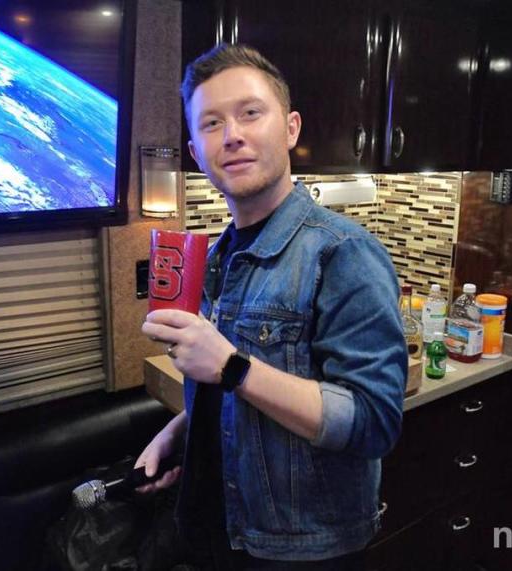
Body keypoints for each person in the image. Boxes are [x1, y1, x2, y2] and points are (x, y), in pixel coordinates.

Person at [135, 43, 407, 569]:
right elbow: (231, 397)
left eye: (250, 113)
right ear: (195, 152)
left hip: (297, 551)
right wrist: (180, 434)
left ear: (290, 129)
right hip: (217, 530)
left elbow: (374, 422)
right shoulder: (219, 256)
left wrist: (232, 366)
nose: (231, 134)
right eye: (211, 123)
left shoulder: (342, 252)